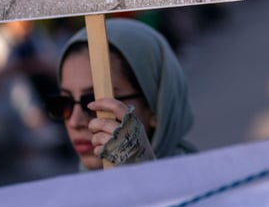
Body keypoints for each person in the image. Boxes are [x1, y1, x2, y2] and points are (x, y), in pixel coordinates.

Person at [50, 18, 195, 171]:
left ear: (156, 107)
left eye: (94, 101)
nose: (74, 122)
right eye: (64, 103)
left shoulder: (202, 184)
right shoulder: (74, 192)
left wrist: (145, 174)